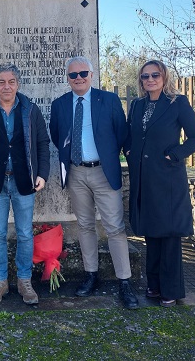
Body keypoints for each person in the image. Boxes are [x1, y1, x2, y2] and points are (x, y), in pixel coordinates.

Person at [50, 56, 139, 310]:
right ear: (67, 78)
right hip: (77, 173)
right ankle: (91, 274)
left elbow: (121, 132)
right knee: (85, 225)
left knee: (115, 227)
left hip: (104, 171)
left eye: (82, 73)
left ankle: (124, 281)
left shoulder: (108, 100)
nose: (78, 78)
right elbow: (58, 136)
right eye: (73, 75)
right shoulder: (60, 105)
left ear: (91, 74)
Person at [0, 62, 50, 305]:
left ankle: (25, 281)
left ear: (18, 84)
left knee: (25, 233)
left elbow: (42, 144)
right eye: (1, 82)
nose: (6, 86)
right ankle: (0, 282)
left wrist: (42, 173)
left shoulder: (30, 109)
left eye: (11, 81)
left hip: (24, 180)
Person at [124, 60, 195, 307]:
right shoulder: (137, 105)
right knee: (151, 232)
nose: (150, 79)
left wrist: (175, 155)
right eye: (145, 76)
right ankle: (154, 285)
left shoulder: (177, 103)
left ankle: (170, 289)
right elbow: (131, 134)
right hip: (144, 177)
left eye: (155, 75)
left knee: (168, 234)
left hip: (167, 177)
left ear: (164, 76)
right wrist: (128, 151)